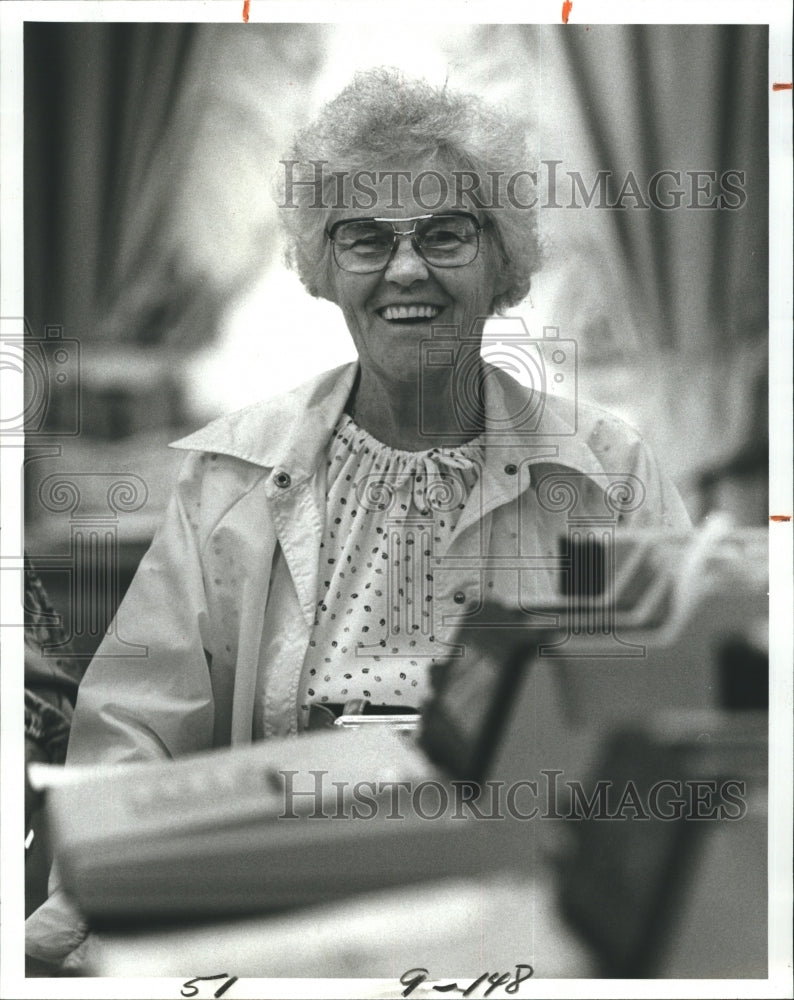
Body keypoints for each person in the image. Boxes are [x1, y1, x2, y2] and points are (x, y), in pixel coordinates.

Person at [25, 67, 690, 965]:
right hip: (278, 912)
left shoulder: (608, 475)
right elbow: (132, 734)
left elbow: (673, 735)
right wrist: (109, 901)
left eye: (446, 234)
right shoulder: (229, 478)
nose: (405, 268)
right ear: (323, 266)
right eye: (365, 238)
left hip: (530, 922)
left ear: (503, 264)